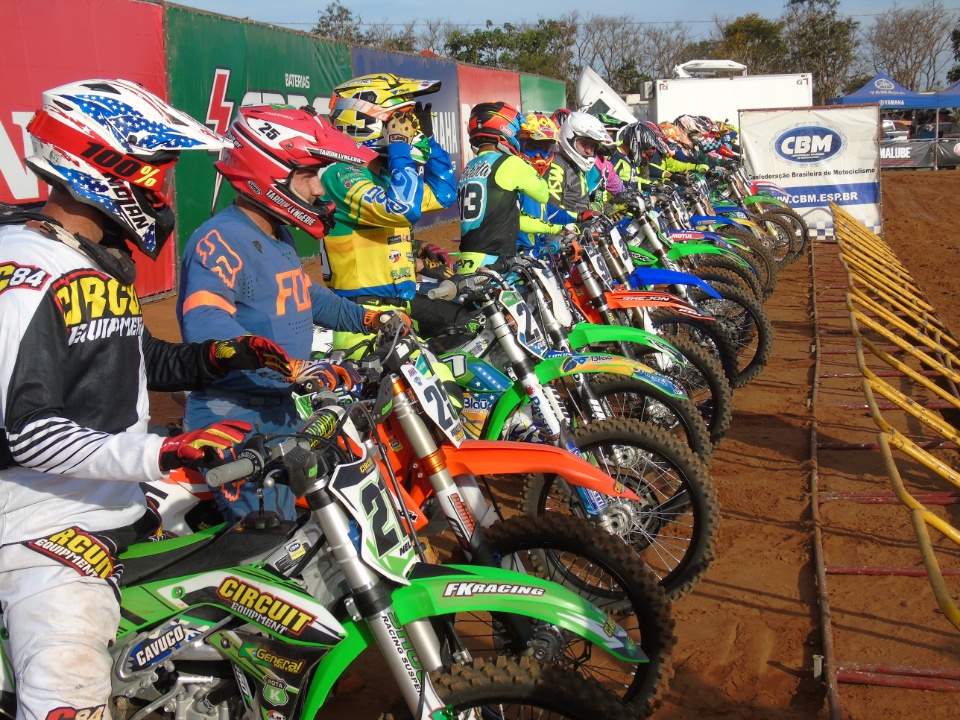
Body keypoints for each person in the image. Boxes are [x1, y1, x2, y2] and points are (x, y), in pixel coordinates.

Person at [0, 79, 292, 720]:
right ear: (104, 164)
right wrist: (165, 451)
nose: (160, 190)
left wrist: (224, 356)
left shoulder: (82, 258)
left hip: (111, 500)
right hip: (38, 529)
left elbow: (130, 361)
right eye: (155, 169)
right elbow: (28, 432)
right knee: (68, 700)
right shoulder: (29, 271)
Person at [177, 104, 392, 524]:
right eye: (309, 175)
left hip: (278, 406)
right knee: (272, 542)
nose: (319, 189)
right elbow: (206, 324)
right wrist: (289, 364)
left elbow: (307, 296)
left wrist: (369, 320)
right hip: (233, 415)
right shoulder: (220, 238)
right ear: (268, 171)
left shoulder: (277, 234)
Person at [325, 73, 462, 341]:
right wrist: (399, 143)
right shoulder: (340, 176)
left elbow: (444, 193)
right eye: (400, 119)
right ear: (367, 121)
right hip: (361, 321)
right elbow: (401, 208)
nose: (410, 127)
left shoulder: (386, 179)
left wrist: (429, 142)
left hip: (397, 313)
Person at [457, 102, 573, 272]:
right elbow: (542, 194)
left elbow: (510, 217)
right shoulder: (510, 163)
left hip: (467, 261)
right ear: (506, 129)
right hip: (494, 262)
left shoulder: (470, 166)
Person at [546, 111, 615, 214]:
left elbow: (591, 201)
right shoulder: (557, 166)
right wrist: (580, 217)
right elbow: (551, 210)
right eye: (585, 144)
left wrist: (609, 210)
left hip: (583, 226)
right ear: (570, 137)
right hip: (567, 227)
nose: (589, 151)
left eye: (593, 146)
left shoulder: (578, 167)